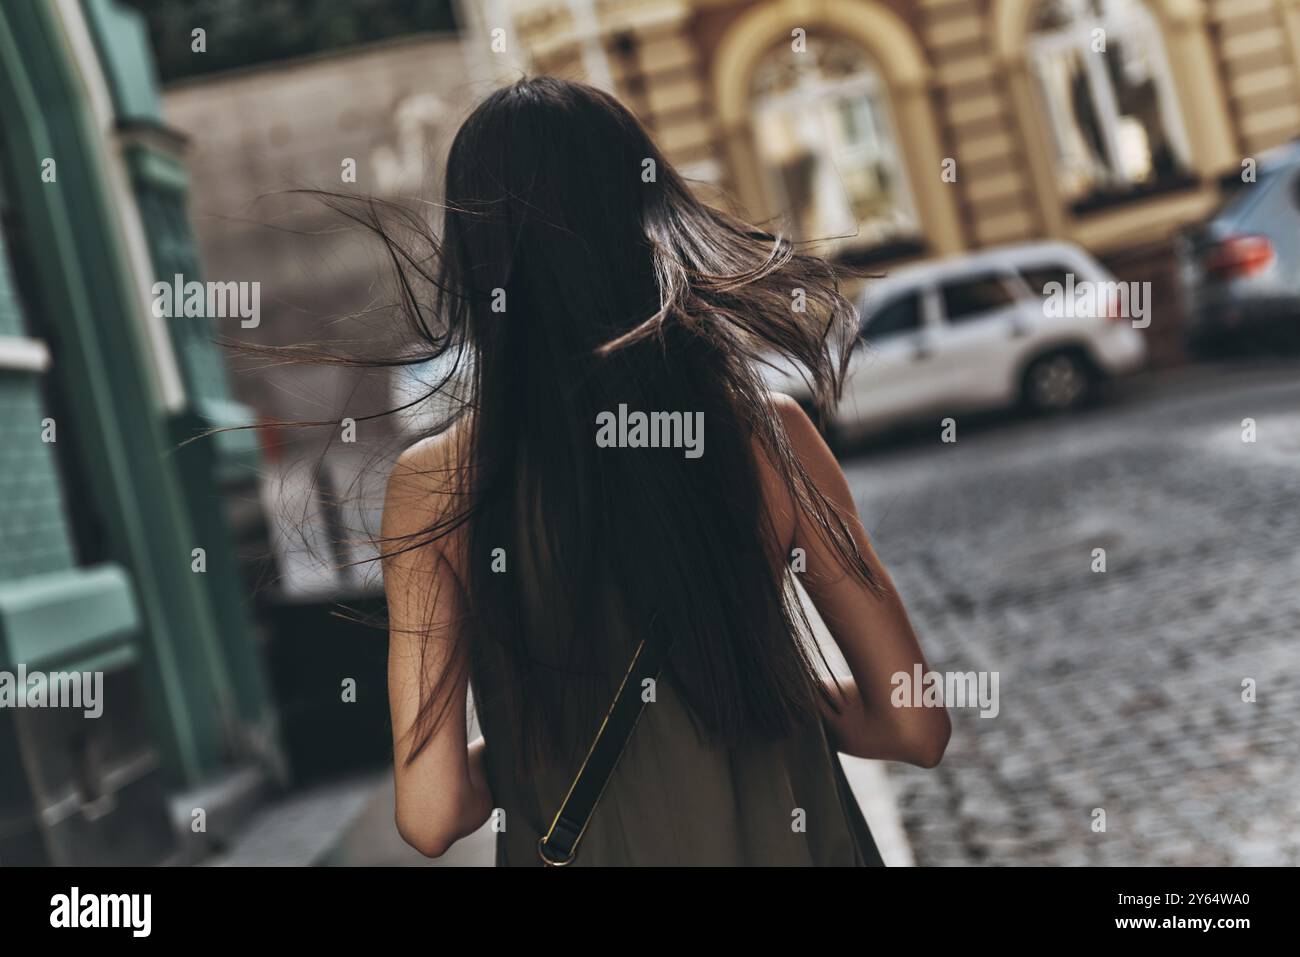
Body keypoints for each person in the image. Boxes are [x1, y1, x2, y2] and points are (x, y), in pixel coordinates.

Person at [380, 77, 949, 866]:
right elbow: (914, 724)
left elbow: (433, 811)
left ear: (478, 261)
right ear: (648, 217)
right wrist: (762, 696)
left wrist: (526, 749)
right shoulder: (767, 434)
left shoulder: (435, 488)